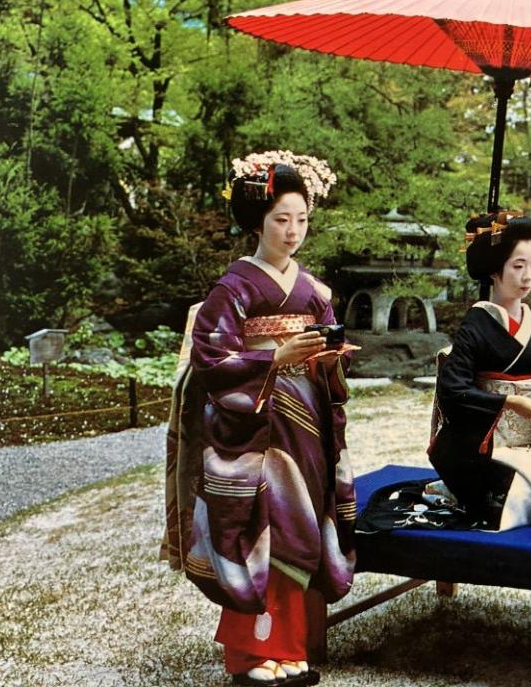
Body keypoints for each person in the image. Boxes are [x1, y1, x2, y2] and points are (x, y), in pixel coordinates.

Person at [161, 150, 355, 687]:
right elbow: (212, 359)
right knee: (254, 532)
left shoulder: (315, 291)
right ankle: (248, 656)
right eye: (280, 220)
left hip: (305, 424)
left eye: (302, 219)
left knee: (298, 529)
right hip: (253, 428)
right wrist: (274, 358)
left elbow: (324, 344)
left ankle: (289, 649)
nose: (293, 232)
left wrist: (328, 360)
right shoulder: (234, 288)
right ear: (257, 222)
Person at [428, 210, 531, 530]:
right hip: (485, 450)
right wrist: (507, 402)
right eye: (518, 266)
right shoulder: (475, 329)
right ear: (494, 271)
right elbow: (453, 390)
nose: (528, 276)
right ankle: (463, 492)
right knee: (518, 505)